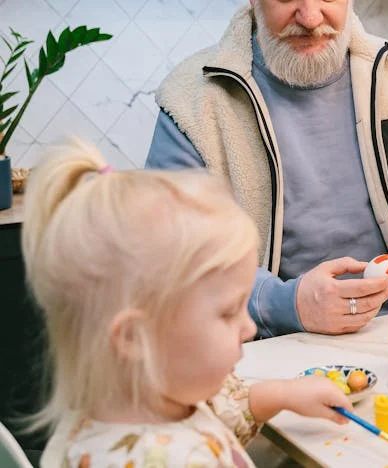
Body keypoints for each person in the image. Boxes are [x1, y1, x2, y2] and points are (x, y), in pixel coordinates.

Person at [146, 0, 388, 338]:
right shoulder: (191, 99)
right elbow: (175, 256)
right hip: (267, 344)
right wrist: (286, 304)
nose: (310, 17)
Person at [22, 139, 357, 467]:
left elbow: (219, 412)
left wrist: (284, 395)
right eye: (228, 313)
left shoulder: (143, 402)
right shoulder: (169, 459)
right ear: (134, 336)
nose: (248, 326)